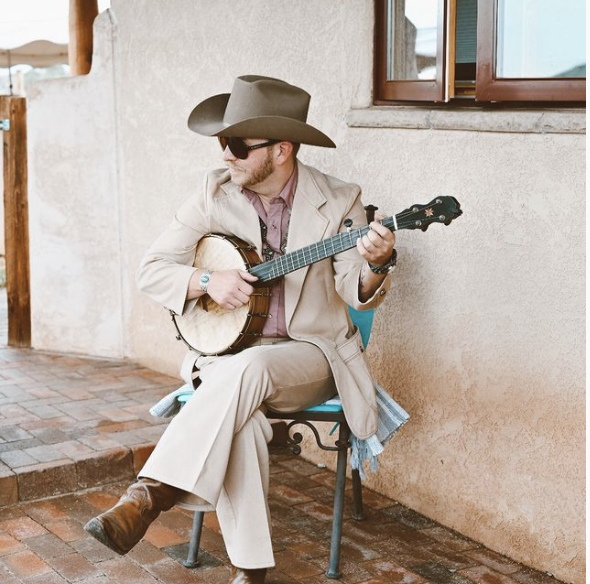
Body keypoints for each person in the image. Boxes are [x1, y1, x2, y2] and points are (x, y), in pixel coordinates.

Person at [84, 75, 396, 584]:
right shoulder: (213, 192)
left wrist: (376, 264)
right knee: (243, 425)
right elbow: (152, 269)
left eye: (235, 145)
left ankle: (151, 492)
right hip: (232, 360)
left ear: (281, 150)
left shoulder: (339, 201)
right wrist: (207, 279)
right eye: (222, 144)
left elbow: (349, 286)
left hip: (309, 355)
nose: (224, 157)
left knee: (250, 366)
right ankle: (251, 572)